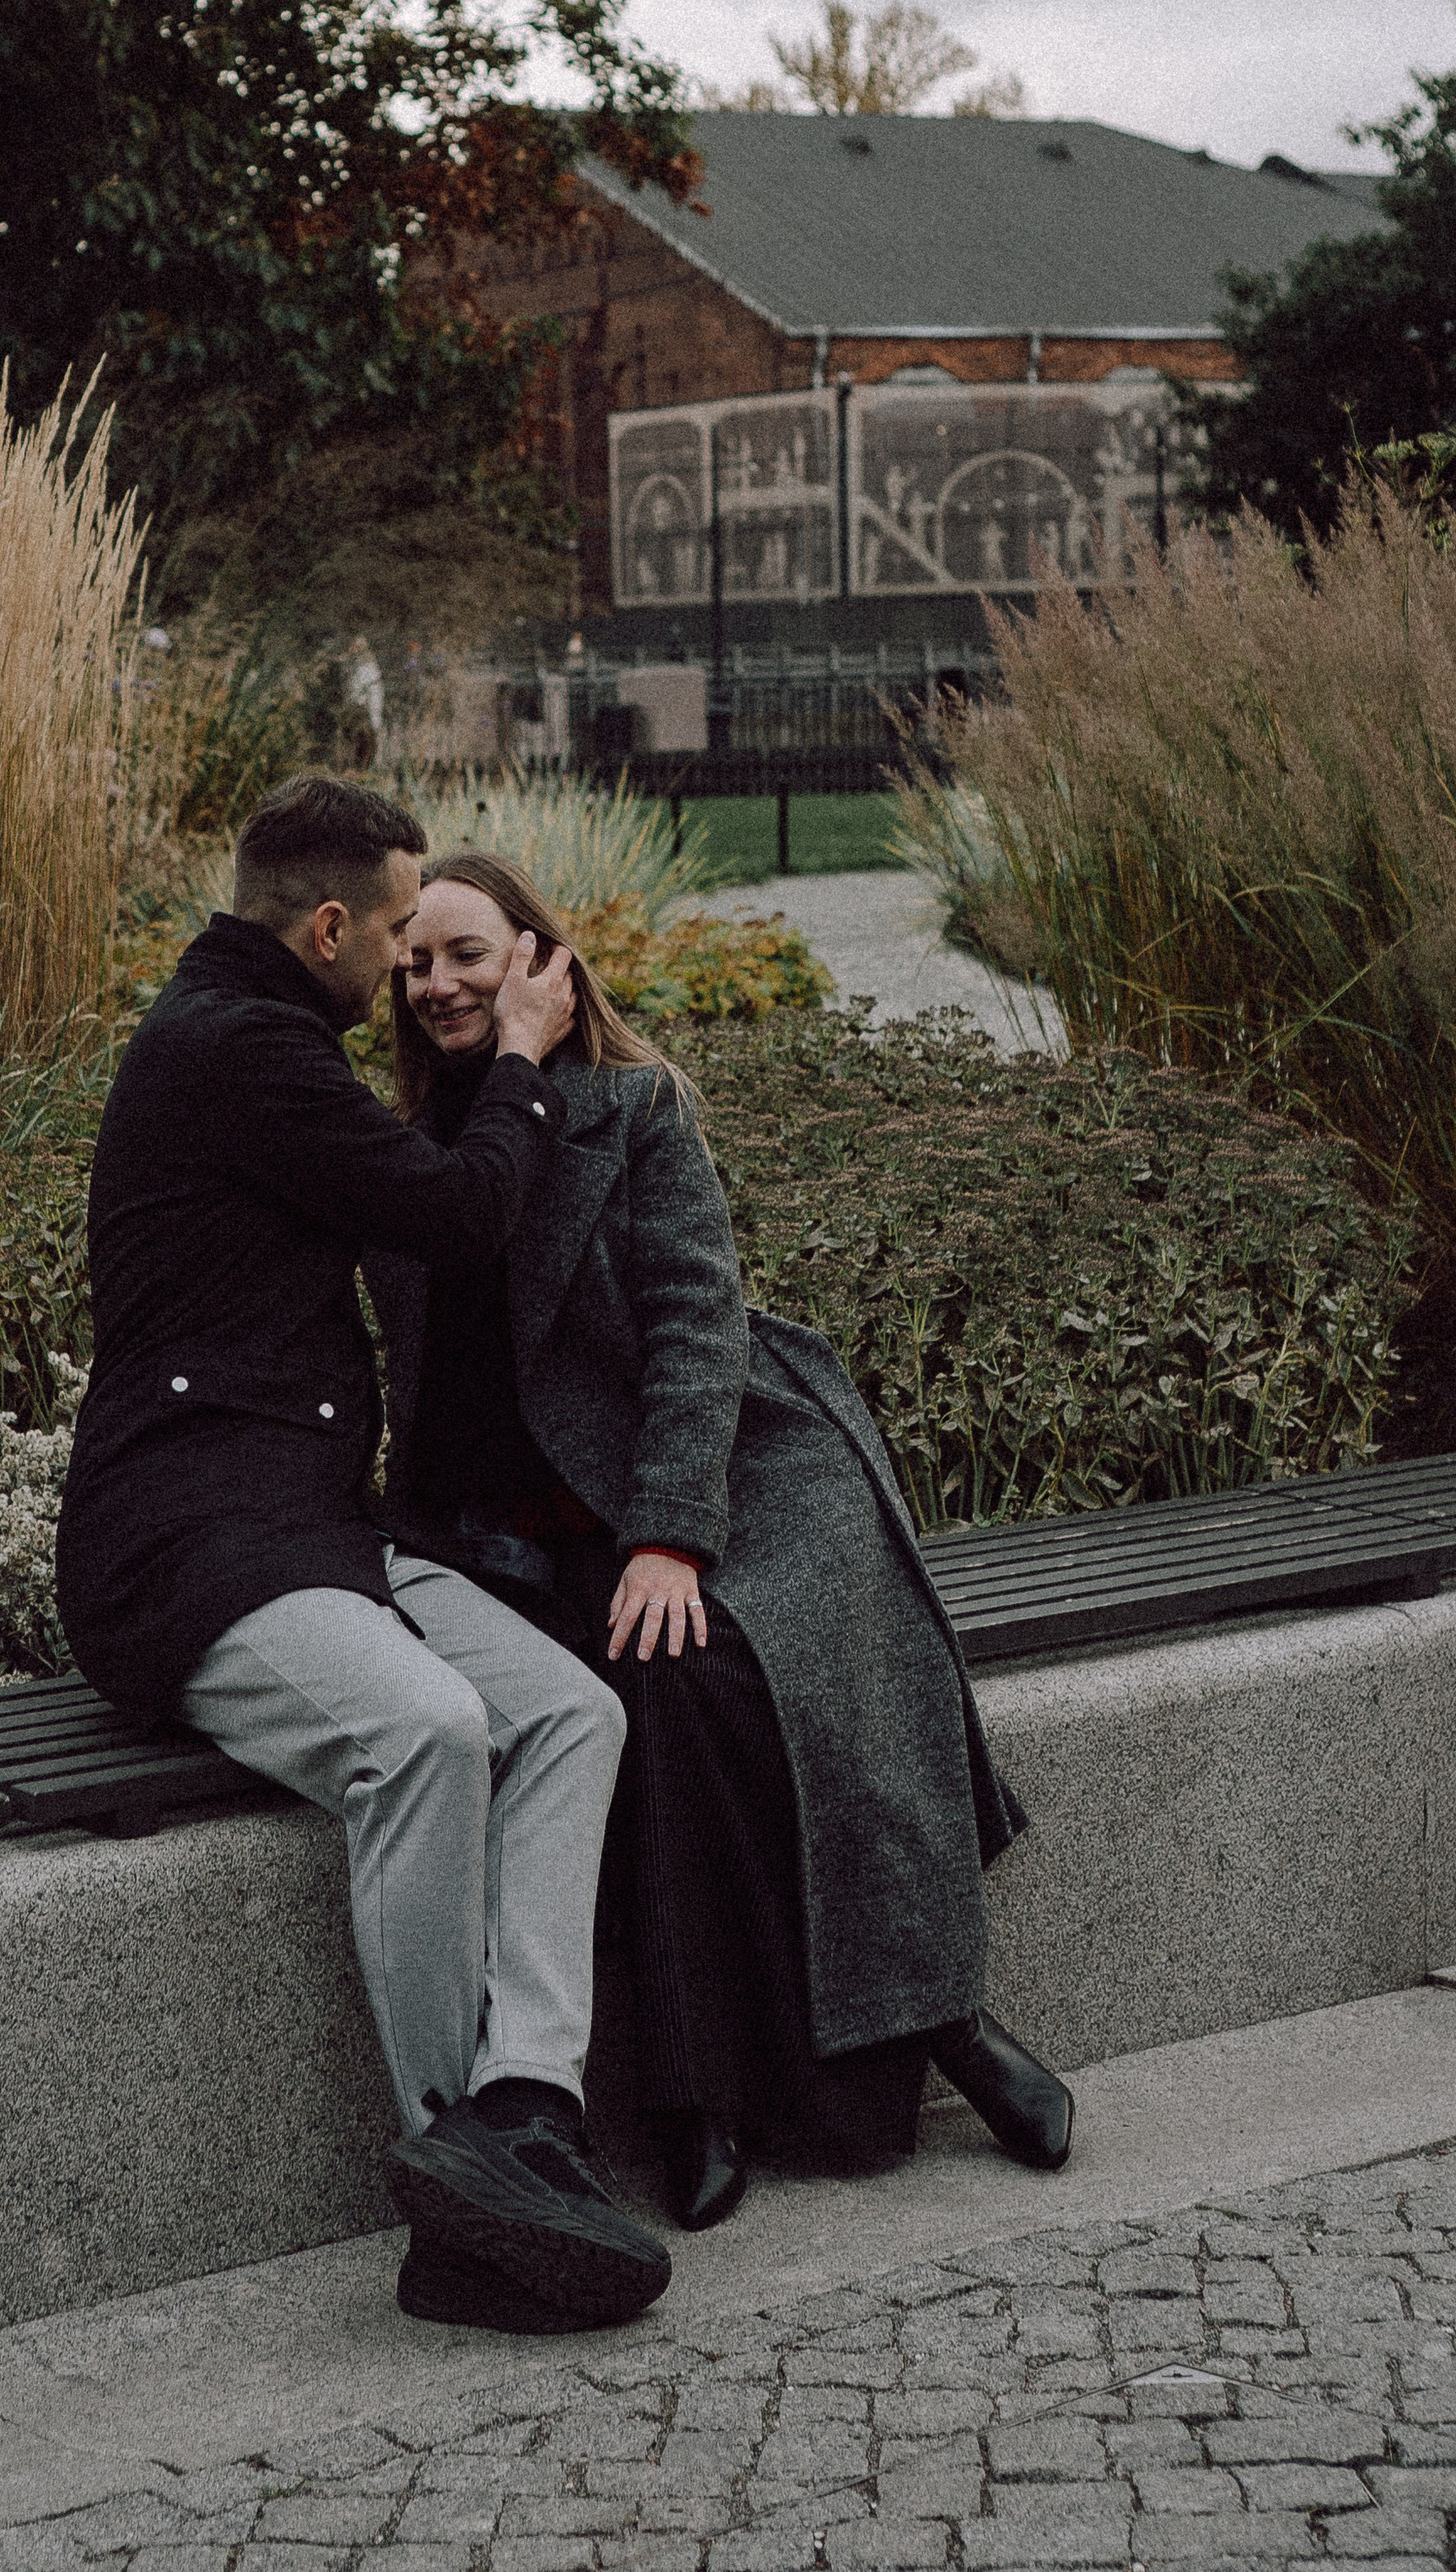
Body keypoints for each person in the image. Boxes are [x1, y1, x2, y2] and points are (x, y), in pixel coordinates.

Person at [369, 849, 1076, 2232]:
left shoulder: (633, 1110)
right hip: (513, 1538)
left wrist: (673, 1540)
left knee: (751, 1669)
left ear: (541, 963)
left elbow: (699, 1333)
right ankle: (706, 2099)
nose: (438, 981)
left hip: (736, 1466)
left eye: (469, 951)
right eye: (416, 961)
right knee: (659, 1698)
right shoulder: (403, 1151)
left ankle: (946, 2024)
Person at [55, 776, 671, 2334]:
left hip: (312, 1527)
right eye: (401, 930)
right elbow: (462, 1213)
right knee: (430, 1730)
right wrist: (525, 1051)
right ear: (327, 926)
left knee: (571, 1712)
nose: (410, 965)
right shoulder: (243, 1050)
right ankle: (460, 2165)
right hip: (187, 1543)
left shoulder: (253, 1039)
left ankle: (526, 2105)